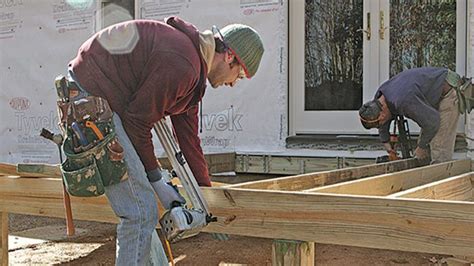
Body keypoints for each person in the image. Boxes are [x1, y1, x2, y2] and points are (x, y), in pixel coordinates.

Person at [68, 17, 264, 265]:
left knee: (144, 205)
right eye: (240, 75)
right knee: (139, 212)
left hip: (107, 98)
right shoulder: (184, 64)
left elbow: (189, 140)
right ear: (229, 57)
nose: (234, 83)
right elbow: (137, 122)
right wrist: (156, 179)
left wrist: (205, 198)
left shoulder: (192, 66)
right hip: (92, 100)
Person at [358, 67, 463, 164]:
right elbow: (383, 123)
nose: (381, 126)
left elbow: (432, 123)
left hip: (448, 91)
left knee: (439, 148)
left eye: (378, 124)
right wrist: (388, 146)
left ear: (381, 116)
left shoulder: (404, 101)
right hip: (432, 92)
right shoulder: (380, 97)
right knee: (425, 144)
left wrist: (421, 147)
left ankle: (441, 179)